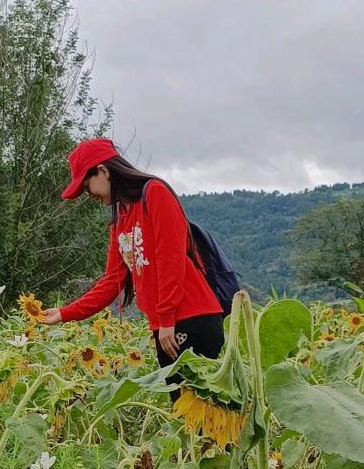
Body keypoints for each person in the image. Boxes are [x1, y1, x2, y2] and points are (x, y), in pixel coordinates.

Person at [40, 138, 225, 384]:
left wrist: (167, 319)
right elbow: (112, 281)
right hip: (165, 327)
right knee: (185, 414)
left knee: (201, 413)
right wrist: (65, 313)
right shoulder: (120, 217)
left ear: (103, 171)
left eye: (87, 186)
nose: (88, 195)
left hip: (193, 318)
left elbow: (170, 259)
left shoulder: (155, 193)